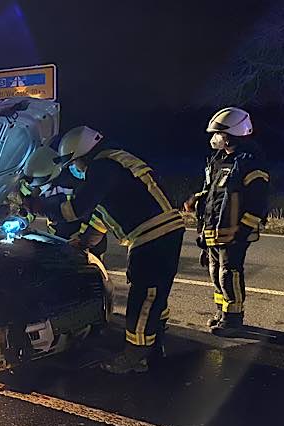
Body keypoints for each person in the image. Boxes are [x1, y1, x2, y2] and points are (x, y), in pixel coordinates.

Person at [33, 126, 184, 374]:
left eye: (74, 162)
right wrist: (81, 243)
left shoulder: (102, 167)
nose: (74, 168)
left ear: (83, 154)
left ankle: (135, 355)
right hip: (164, 232)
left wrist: (40, 207)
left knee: (143, 296)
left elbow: (75, 209)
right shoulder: (117, 164)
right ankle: (154, 347)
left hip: (152, 236)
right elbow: (100, 220)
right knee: (155, 295)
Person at [184, 107, 270, 336]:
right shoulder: (219, 160)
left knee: (229, 273)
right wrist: (196, 200)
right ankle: (222, 312)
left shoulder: (249, 164)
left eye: (218, 133)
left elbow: (258, 204)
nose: (215, 138)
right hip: (214, 231)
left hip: (234, 232)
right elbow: (214, 193)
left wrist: (243, 231)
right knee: (215, 272)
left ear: (234, 134)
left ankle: (233, 319)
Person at [16, 145, 107, 259]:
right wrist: (20, 220)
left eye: (40, 181)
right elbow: (27, 210)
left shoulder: (76, 183)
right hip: (57, 238)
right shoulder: (28, 184)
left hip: (87, 239)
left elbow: (87, 214)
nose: (36, 186)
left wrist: (83, 241)